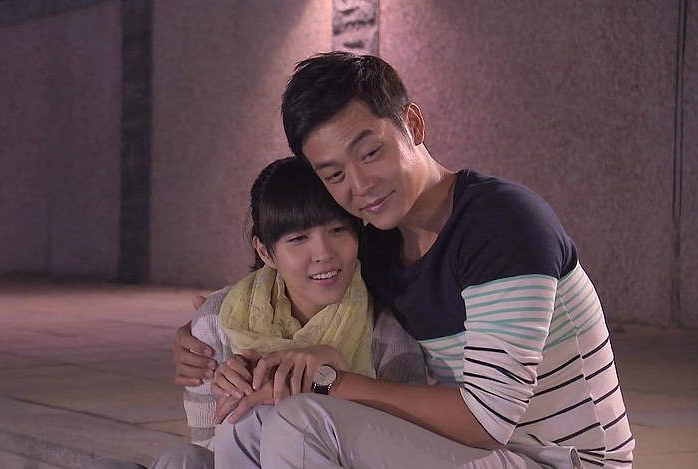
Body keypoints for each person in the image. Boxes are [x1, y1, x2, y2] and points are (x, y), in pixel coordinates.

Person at [174, 51, 634, 469]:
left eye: (370, 153)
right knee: (248, 421)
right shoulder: (378, 243)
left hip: (561, 460)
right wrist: (199, 336)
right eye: (334, 175)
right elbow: (293, 287)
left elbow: (487, 419)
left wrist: (328, 380)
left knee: (300, 421)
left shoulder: (501, 223)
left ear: (412, 124)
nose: (360, 185)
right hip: (468, 452)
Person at [88, 156, 424, 469]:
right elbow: (207, 442)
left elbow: (404, 441)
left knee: (250, 418)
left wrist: (325, 382)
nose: (323, 253)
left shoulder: (384, 326)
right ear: (265, 251)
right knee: (183, 459)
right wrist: (232, 391)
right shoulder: (220, 319)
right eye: (299, 238)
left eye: (337, 230)